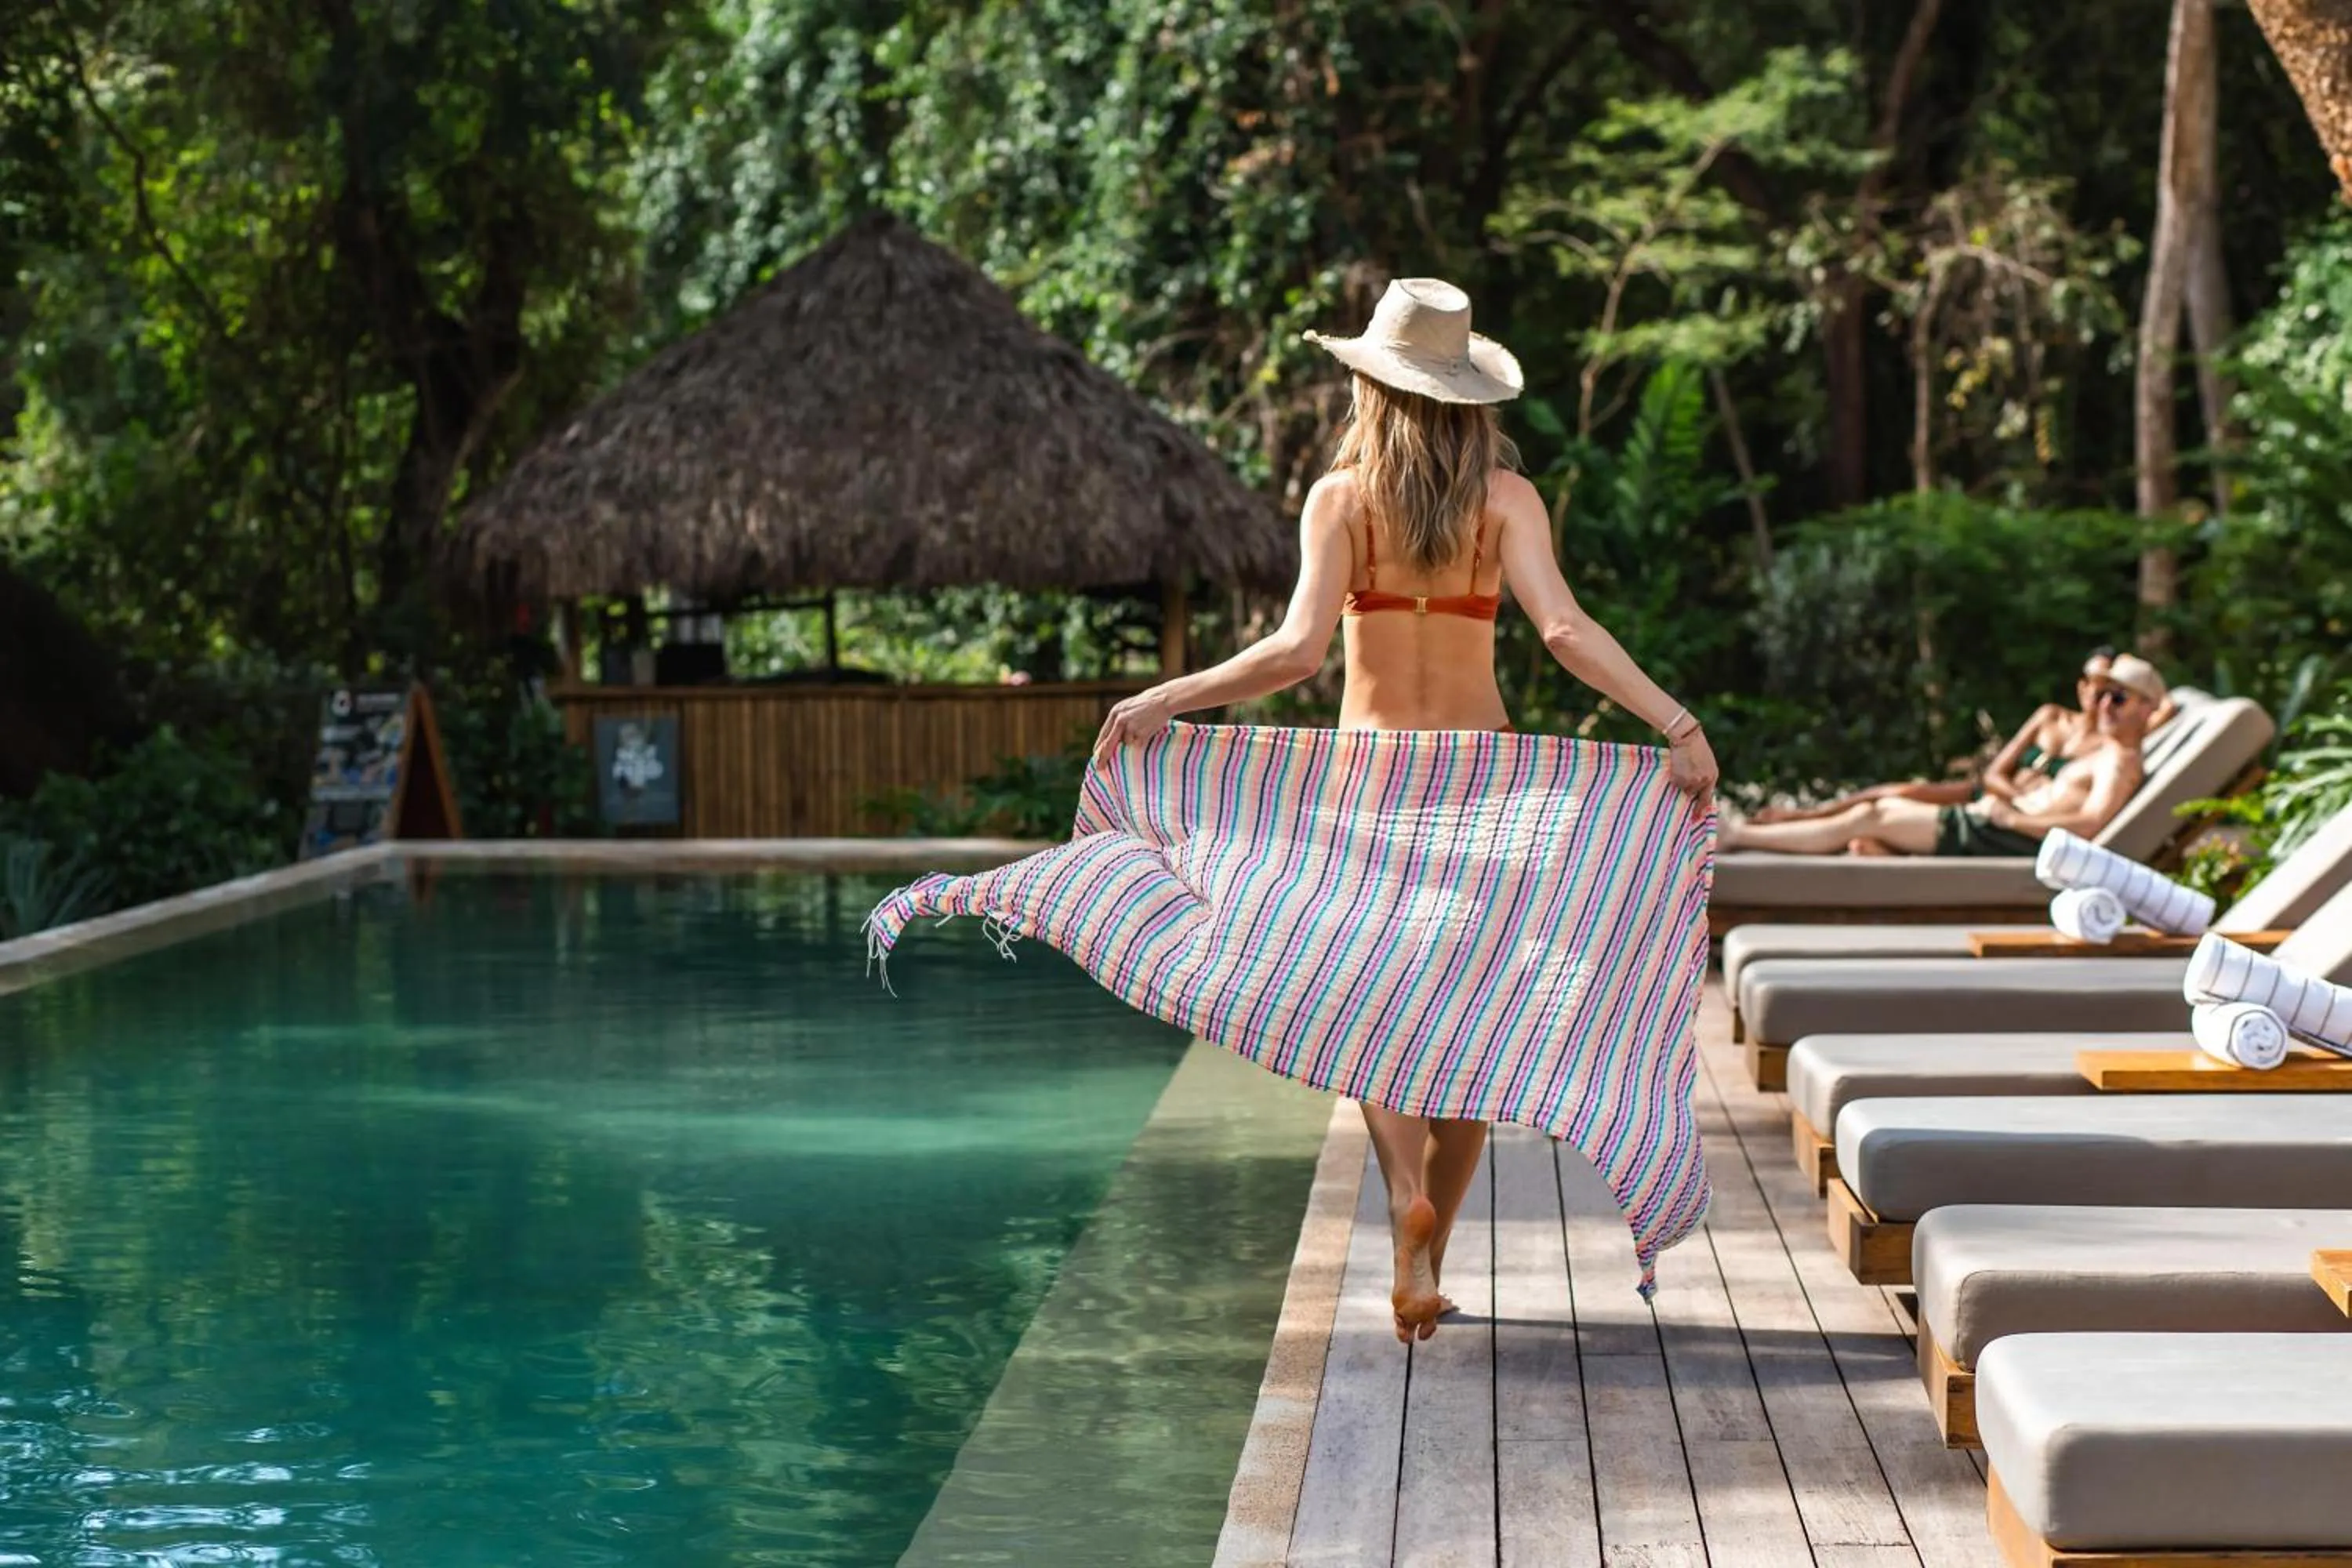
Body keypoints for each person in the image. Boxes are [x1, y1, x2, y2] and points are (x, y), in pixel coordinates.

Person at [1088, 278, 1717, 1343]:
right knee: (1474, 1021)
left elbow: (1293, 656)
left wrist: (1166, 696)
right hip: (1484, 785)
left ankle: (1402, 1210)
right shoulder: (1506, 502)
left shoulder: (1340, 498)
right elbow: (1563, 632)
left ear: (1372, 387)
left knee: (1370, 1002)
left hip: (1368, 782)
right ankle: (1436, 1238)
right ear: (1471, 395)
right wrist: (1675, 722)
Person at [1719, 654, 2165, 857]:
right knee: (1878, 816)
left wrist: (2012, 819)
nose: (2104, 705)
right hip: (1996, 822)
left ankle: (1738, 837)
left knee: (1872, 815)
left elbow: (2090, 826)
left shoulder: (2120, 761)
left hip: (2008, 837)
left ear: (2147, 709)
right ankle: (1873, 850)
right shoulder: (2103, 749)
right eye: (2104, 695)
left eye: (2120, 699)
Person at [1748, 646, 2118, 825]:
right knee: (1895, 791)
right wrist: (2015, 797)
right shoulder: (2050, 716)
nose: (2100, 698)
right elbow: (1994, 772)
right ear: (2081, 686)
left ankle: (1862, 844)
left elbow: (2162, 708)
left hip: (2009, 815)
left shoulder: (2109, 747)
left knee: (1884, 814)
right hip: (1992, 794)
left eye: (2112, 692)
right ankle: (1807, 815)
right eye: (2095, 686)